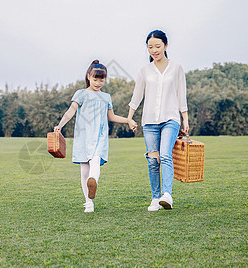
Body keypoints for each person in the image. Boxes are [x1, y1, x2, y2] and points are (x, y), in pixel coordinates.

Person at [54, 60, 137, 213]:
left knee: (96, 160)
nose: (98, 82)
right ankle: (89, 202)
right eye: (95, 79)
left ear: (105, 79)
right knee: (84, 171)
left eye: (101, 79)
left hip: (99, 135)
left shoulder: (106, 97)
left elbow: (111, 116)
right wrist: (60, 125)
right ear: (88, 77)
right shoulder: (81, 94)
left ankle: (93, 181)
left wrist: (128, 120)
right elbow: (71, 111)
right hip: (83, 136)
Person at [127, 30, 189, 211]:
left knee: (165, 155)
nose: (154, 50)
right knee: (153, 161)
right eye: (150, 47)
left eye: (157, 46)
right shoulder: (144, 71)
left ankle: (167, 195)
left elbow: (181, 94)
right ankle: (155, 198)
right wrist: (130, 117)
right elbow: (136, 96)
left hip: (171, 118)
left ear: (166, 46)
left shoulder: (176, 68)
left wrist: (185, 118)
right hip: (149, 121)